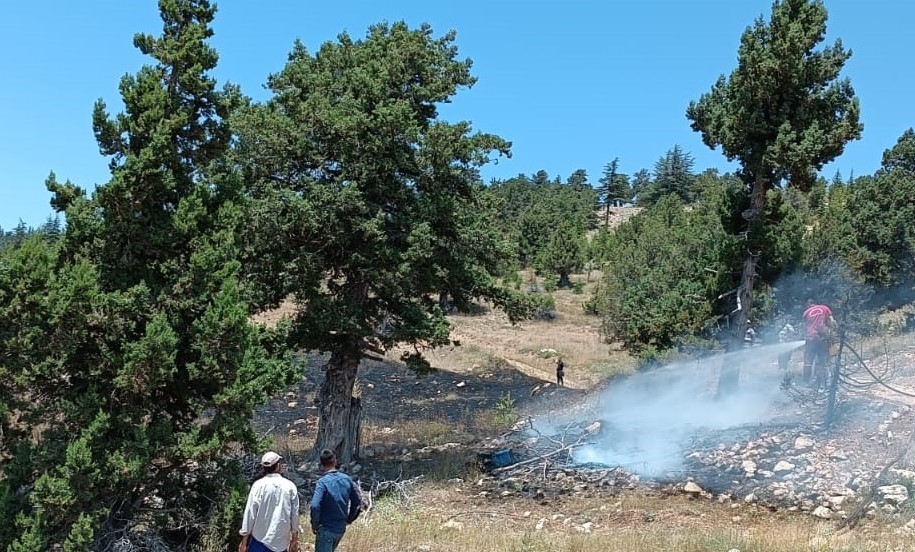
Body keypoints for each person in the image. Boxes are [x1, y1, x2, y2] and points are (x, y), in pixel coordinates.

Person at [239, 451, 302, 552]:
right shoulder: (290, 486)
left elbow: (250, 514)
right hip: (280, 543)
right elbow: (294, 514)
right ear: (278, 466)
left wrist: (244, 540)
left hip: (259, 540)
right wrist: (294, 539)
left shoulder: (258, 486)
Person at [310, 449, 362, 552]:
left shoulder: (322, 483)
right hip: (340, 529)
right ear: (335, 461)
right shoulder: (347, 479)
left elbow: (315, 506)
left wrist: (315, 524)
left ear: (321, 464)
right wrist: (349, 519)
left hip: (326, 529)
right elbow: (357, 503)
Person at [802, 298, 836, 387]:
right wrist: (831, 334)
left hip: (810, 338)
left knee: (808, 361)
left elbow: (805, 327)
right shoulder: (825, 308)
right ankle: (824, 381)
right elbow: (832, 321)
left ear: (808, 304)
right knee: (823, 359)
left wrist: (806, 337)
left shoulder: (806, 312)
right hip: (822, 337)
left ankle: (806, 382)